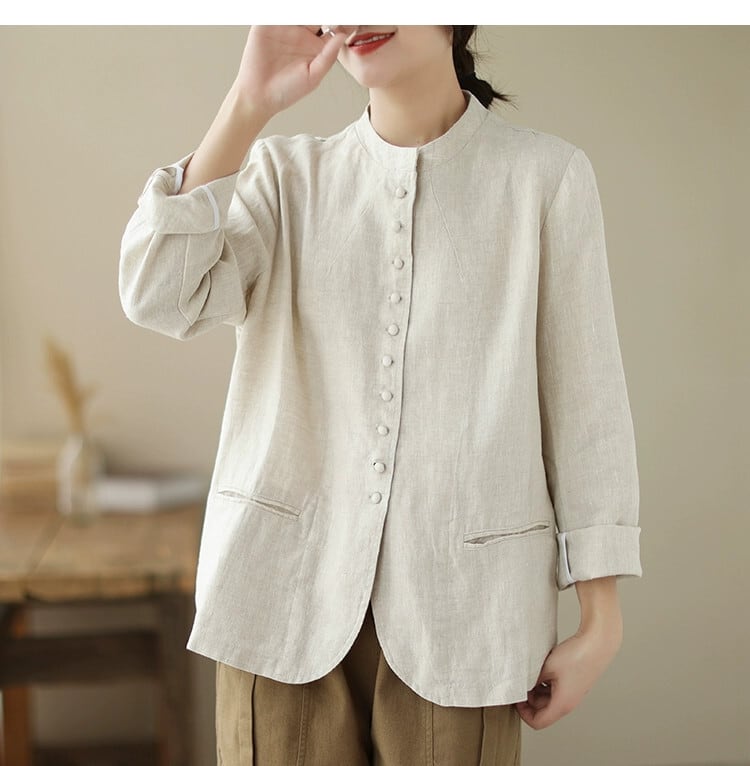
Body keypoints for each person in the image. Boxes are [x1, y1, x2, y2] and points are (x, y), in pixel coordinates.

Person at [119, 25, 642, 765]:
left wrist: (601, 620)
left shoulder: (544, 179)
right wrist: (247, 103)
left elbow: (586, 406)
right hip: (276, 602)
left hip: (468, 616)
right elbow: (157, 295)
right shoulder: (282, 177)